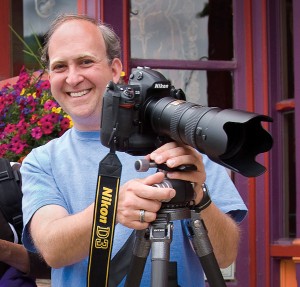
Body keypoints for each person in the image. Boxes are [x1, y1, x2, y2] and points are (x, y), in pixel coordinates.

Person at [21, 14, 247, 286]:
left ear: (115, 69)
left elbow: (224, 255)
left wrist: (199, 197)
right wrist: (113, 208)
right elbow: (53, 250)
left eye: (85, 61)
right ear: (50, 78)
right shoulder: (42, 160)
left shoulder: (184, 147)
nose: (73, 77)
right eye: (60, 67)